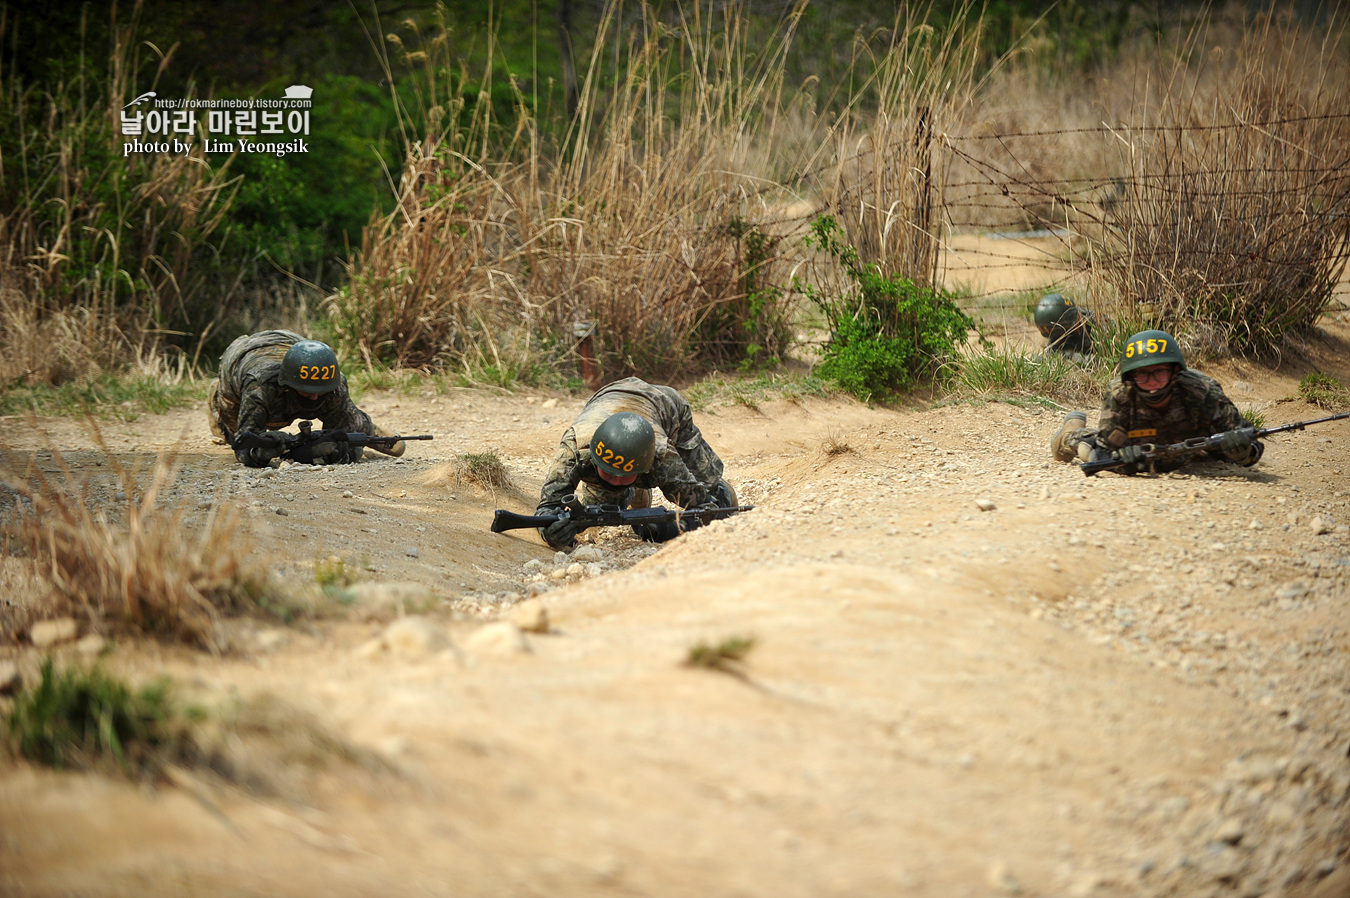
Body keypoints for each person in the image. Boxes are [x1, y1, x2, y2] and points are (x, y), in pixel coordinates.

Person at [536, 377, 736, 549]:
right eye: (608, 472)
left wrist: (663, 529)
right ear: (595, 461)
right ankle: (634, 492)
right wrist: (551, 531)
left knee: (712, 490)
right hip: (607, 397)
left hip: (665, 405)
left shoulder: (662, 456)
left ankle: (639, 490)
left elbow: (708, 509)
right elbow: (548, 506)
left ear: (646, 469)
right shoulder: (574, 450)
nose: (614, 481)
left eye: (624, 475)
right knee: (599, 508)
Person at [1051, 329, 1263, 473]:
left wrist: (1243, 453)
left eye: (1159, 373)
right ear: (1131, 377)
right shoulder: (1120, 394)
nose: (1152, 383)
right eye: (1142, 375)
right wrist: (1129, 464)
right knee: (1087, 449)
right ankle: (1069, 431)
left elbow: (1253, 444)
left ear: (1174, 371)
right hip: (1139, 442)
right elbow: (1104, 453)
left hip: (1196, 439)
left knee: (1224, 451)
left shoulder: (1204, 392)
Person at [207, 330, 404, 467]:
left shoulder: (333, 383)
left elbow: (342, 434)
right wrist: (262, 452)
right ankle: (217, 397)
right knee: (233, 437)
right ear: (289, 385)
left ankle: (367, 426)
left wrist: (342, 450)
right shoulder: (260, 387)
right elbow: (244, 446)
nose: (315, 396)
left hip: (289, 342)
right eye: (307, 391)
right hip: (240, 359)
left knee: (352, 428)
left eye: (321, 390)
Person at [1034, 292, 1094, 360]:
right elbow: (1053, 354)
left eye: (1060, 332)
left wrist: (1071, 357)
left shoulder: (1096, 326)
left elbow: (1100, 362)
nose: (1060, 337)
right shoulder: (1059, 333)